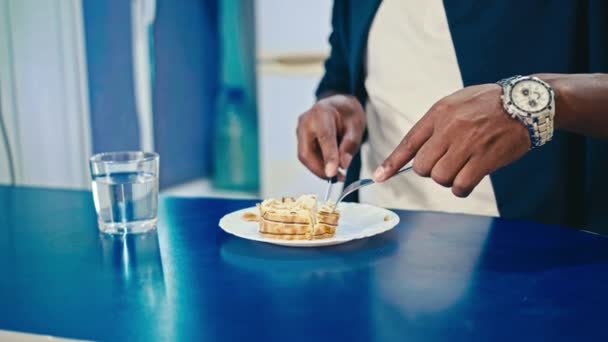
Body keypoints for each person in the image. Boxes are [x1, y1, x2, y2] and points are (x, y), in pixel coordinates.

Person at [296, 0, 608, 232]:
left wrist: (535, 100)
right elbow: (340, 69)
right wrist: (338, 103)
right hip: (376, 235)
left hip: (533, 251)